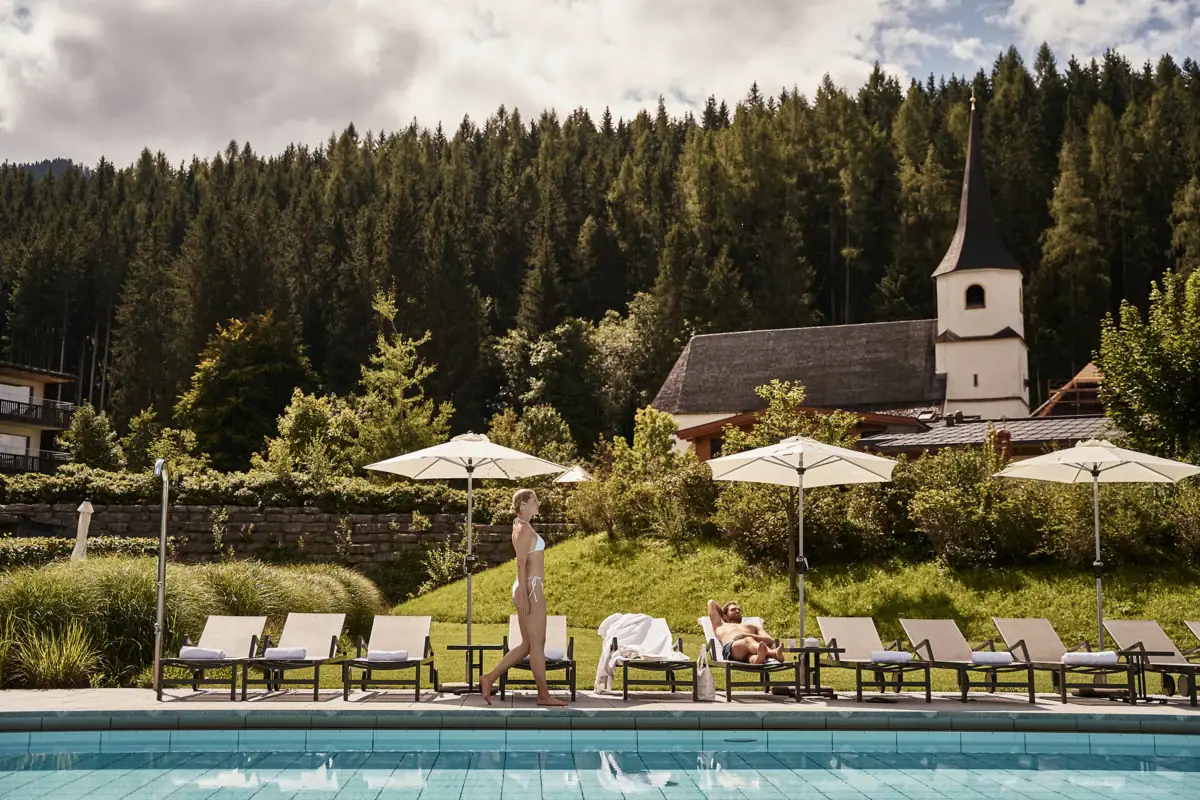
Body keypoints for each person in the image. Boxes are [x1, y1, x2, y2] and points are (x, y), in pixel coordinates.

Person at [480, 488, 568, 706]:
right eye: (534, 500)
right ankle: (543, 695)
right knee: (538, 643)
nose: (538, 504)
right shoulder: (523, 528)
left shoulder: (522, 526)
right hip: (530, 587)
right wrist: (525, 596)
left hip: (529, 586)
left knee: (528, 644)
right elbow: (520, 563)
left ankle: (489, 678)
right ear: (523, 504)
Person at [707, 599, 781, 663]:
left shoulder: (753, 626)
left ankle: (756, 660)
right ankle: (773, 654)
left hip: (753, 649)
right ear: (724, 616)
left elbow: (770, 640)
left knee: (751, 655)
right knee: (747, 641)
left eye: (739, 610)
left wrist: (750, 635)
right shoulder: (720, 625)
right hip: (731, 650)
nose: (737, 611)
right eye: (733, 609)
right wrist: (723, 616)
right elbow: (711, 602)